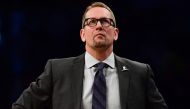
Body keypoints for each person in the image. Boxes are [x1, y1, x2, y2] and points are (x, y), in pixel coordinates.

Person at [12, 2, 168, 109]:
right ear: (82, 34)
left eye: (105, 21)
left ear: (115, 33)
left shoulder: (140, 73)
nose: (99, 26)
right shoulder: (57, 71)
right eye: (92, 22)